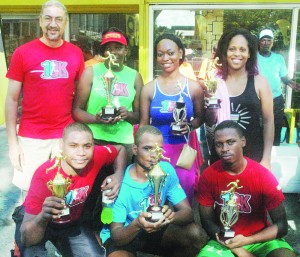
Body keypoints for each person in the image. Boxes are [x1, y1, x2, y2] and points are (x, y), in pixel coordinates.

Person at [5, 0, 85, 196]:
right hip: (31, 137)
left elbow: (81, 97)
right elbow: (12, 99)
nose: (53, 24)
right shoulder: (23, 53)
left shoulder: (75, 53)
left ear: (65, 23)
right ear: (40, 21)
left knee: (64, 194)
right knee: (32, 196)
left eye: (58, 19)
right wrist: (13, 144)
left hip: (65, 137)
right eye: (48, 18)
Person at [14, 122, 126, 256]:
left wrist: (118, 174)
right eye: (73, 146)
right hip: (38, 220)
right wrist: (43, 217)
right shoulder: (44, 175)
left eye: (87, 146)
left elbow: (120, 150)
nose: (81, 153)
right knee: (30, 249)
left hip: (70, 222)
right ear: (61, 145)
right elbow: (28, 240)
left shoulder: (96, 156)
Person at [100, 125, 209, 257]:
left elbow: (188, 213)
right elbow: (116, 234)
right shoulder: (120, 183)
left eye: (158, 149)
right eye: (147, 149)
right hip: (127, 233)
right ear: (135, 149)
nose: (153, 155)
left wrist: (170, 217)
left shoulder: (166, 170)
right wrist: (138, 224)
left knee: (196, 234)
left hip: (157, 230)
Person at [197, 120, 296, 257]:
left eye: (231, 142)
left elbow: (281, 225)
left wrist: (248, 240)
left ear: (243, 141)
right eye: (219, 144)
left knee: (285, 255)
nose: (225, 148)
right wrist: (237, 248)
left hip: (260, 238)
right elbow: (207, 221)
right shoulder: (209, 175)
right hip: (223, 239)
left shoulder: (263, 175)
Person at [140, 33, 216, 204]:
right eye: (160, 54)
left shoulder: (194, 87)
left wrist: (189, 126)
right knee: (155, 200)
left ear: (180, 53)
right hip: (156, 153)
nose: (165, 58)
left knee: (183, 200)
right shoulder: (149, 89)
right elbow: (144, 125)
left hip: (183, 153)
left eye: (170, 53)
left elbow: (200, 118)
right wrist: (142, 153)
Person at [73, 27, 144, 165]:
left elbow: (139, 115)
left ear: (126, 50)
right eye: (109, 48)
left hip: (123, 141)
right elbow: (76, 111)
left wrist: (127, 114)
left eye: (118, 47)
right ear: (104, 52)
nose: (113, 52)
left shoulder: (135, 76)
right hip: (94, 139)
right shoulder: (90, 72)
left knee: (119, 184)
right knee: (95, 184)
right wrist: (97, 119)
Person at [211, 28, 274, 169]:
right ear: (224, 52)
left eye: (242, 49)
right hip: (221, 158)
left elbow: (269, 122)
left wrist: (267, 159)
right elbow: (209, 122)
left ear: (249, 53)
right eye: (232, 49)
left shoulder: (260, 82)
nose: (237, 54)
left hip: (253, 157)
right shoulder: (215, 83)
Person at [257, 28, 300, 146]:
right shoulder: (253, 58)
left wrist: (292, 84)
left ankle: (274, 151)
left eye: (269, 40)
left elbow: (284, 77)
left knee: (276, 126)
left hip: (276, 99)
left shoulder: (278, 58)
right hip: (258, 99)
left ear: (272, 42)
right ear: (259, 42)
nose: (266, 43)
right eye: (263, 40)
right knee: (259, 127)